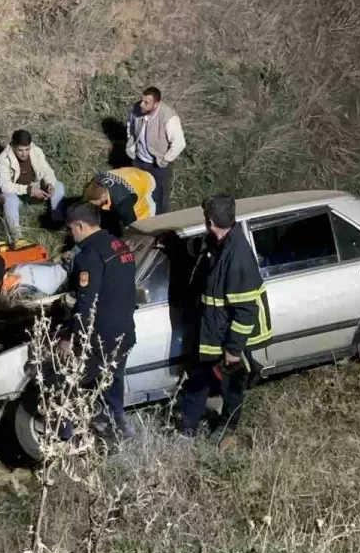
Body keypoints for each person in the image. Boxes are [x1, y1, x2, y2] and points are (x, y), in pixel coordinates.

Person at [177, 194, 271, 448]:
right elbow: (202, 262)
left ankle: (227, 427)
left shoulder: (237, 256)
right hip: (212, 329)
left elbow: (245, 311)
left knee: (231, 385)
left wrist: (233, 349)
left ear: (209, 221)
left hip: (229, 335)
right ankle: (187, 428)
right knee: (198, 377)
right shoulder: (217, 242)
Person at [56, 202, 138, 438]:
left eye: (71, 229)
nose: (71, 235)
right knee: (113, 380)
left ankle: (66, 438)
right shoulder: (120, 245)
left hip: (101, 337)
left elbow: (86, 304)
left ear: (80, 226)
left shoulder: (90, 256)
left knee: (72, 383)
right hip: (124, 332)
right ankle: (116, 427)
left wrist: (70, 337)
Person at [0, 129, 66, 237]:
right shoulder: (4, 158)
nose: (24, 153)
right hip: (13, 192)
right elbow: (5, 186)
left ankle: (57, 222)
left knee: (58, 186)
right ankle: (17, 236)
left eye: (27, 149)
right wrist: (28, 190)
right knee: (10, 200)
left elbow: (47, 170)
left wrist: (49, 184)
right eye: (20, 150)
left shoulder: (36, 151)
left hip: (31, 186)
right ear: (13, 146)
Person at [125, 86, 185, 212]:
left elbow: (179, 143)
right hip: (139, 160)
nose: (142, 104)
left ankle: (160, 225)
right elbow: (130, 127)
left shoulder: (169, 117)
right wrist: (131, 146)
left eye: (146, 103)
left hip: (157, 165)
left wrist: (165, 160)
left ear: (156, 104)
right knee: (137, 193)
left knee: (160, 199)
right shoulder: (136, 109)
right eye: (142, 100)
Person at [80, 166, 158, 236]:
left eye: (95, 204)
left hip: (146, 184)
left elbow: (132, 227)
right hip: (134, 174)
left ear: (103, 197)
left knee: (142, 228)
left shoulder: (123, 204)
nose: (93, 207)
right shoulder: (97, 180)